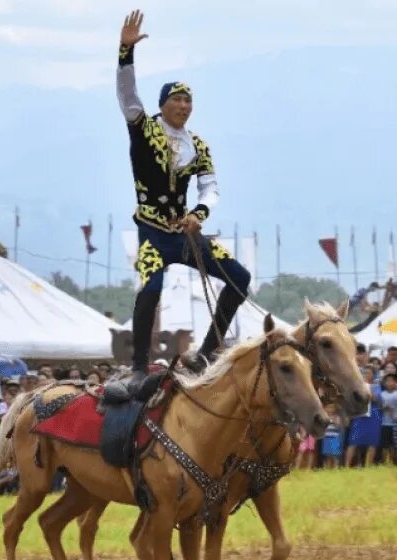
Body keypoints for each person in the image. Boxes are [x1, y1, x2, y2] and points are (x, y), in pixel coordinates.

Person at [117, 10, 250, 382]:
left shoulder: (198, 145)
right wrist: (125, 52)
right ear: (163, 104)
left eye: (188, 101)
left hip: (186, 234)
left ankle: (205, 354)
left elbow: (210, 186)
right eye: (177, 99)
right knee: (152, 287)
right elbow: (127, 92)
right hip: (153, 234)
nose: (184, 105)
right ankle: (139, 367)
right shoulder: (143, 128)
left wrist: (200, 213)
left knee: (239, 277)